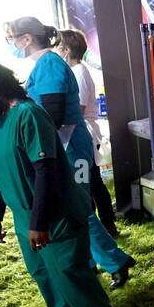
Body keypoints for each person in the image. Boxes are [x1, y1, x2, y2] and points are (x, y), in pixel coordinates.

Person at [0, 55, 124, 307]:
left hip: (54, 212)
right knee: (42, 271)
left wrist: (39, 222)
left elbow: (46, 171)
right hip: (24, 214)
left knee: (68, 268)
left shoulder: (28, 114)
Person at [7, 17, 134, 289]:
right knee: (77, 207)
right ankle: (92, 261)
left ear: (27, 39)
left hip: (71, 146)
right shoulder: (44, 65)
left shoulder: (49, 65)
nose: (11, 44)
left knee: (79, 208)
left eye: (12, 38)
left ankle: (115, 261)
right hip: (65, 145)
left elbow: (52, 113)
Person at [56, 29, 116, 235]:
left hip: (83, 135)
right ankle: (104, 224)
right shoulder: (74, 71)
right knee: (91, 181)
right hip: (80, 134)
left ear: (66, 49)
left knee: (89, 182)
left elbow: (78, 109)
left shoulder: (79, 72)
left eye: (58, 47)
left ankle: (103, 225)